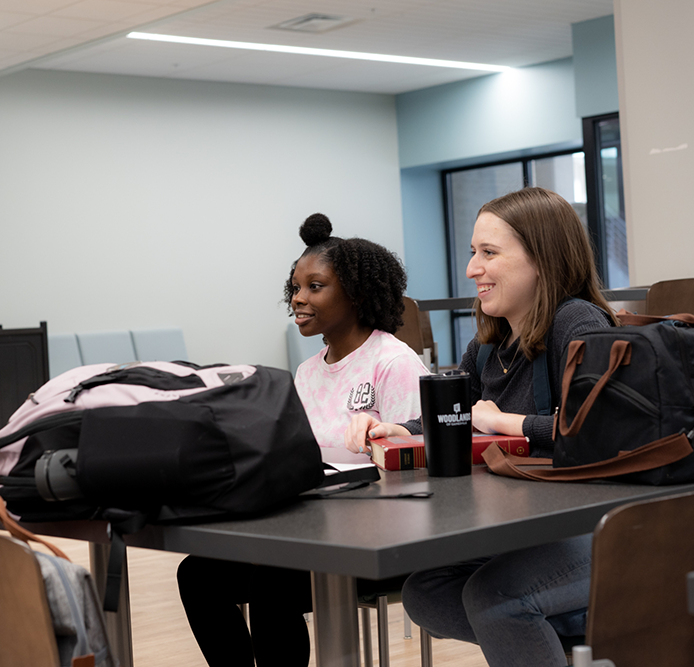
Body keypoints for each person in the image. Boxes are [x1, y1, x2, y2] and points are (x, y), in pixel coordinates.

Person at [346, 187, 619, 667]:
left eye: (488, 253)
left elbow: (596, 430)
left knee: (498, 600)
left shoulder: (579, 323)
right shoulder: (490, 343)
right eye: (474, 253)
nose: (473, 268)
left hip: (608, 526)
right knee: (426, 594)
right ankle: (559, 634)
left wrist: (505, 421)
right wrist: (398, 429)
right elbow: (458, 418)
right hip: (533, 526)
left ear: (543, 258)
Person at [177, 213, 429, 667]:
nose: (298, 299)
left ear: (357, 294)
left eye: (315, 287)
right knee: (197, 574)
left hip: (384, 538)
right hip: (313, 531)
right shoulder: (307, 372)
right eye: (295, 288)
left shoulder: (393, 361)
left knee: (271, 580)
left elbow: (422, 457)